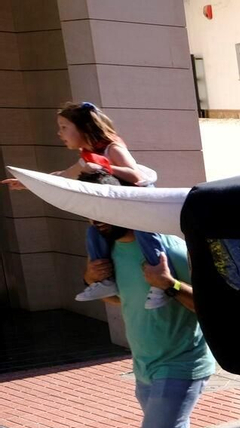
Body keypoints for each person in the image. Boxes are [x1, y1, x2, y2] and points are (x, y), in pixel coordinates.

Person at [74, 181, 238, 428]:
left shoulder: (167, 250)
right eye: (89, 210)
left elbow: (212, 305)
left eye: (101, 208)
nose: (95, 219)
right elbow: (124, 300)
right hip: (145, 363)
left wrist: (168, 284)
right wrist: (92, 279)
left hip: (183, 360)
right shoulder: (109, 252)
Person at [4, 102, 168, 310]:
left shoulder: (112, 147)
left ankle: (161, 282)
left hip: (139, 206)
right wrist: (28, 182)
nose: (59, 133)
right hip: (116, 213)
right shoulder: (86, 155)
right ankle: (105, 282)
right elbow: (64, 177)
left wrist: (103, 165)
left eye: (64, 127)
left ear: (83, 127)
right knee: (93, 233)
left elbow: (136, 176)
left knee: (144, 230)